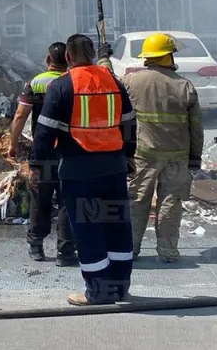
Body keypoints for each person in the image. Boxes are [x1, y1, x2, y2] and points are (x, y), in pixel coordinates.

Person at [34, 33, 137, 306]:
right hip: (114, 169)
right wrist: (128, 155)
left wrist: (37, 166)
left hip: (80, 172)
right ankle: (119, 287)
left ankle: (99, 292)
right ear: (92, 54)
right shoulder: (114, 81)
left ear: (67, 57)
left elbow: (44, 133)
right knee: (117, 227)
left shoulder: (61, 86)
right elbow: (129, 123)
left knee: (88, 229)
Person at [121, 32, 204, 263]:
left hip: (143, 155)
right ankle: (167, 251)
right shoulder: (184, 86)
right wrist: (195, 157)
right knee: (170, 203)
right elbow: (196, 127)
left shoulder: (131, 82)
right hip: (177, 157)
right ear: (167, 56)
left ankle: (130, 250)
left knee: (137, 202)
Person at [8, 42, 76, 265]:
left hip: (43, 150)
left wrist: (13, 143)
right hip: (69, 151)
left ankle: (36, 246)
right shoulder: (74, 81)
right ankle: (65, 252)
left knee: (40, 198)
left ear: (48, 61)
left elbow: (20, 115)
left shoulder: (36, 82)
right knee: (67, 200)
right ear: (68, 58)